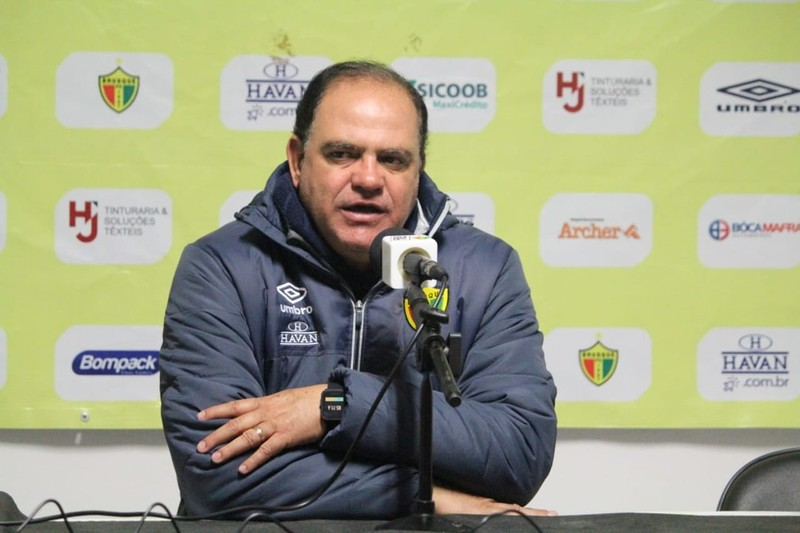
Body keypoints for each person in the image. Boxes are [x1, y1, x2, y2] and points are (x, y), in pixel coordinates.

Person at [159, 60, 557, 520]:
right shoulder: (220, 266)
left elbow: (518, 453)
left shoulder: (485, 269)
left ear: (418, 168)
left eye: (392, 159)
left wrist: (333, 406)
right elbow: (218, 474)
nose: (368, 179)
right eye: (342, 154)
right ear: (297, 160)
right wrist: (428, 500)